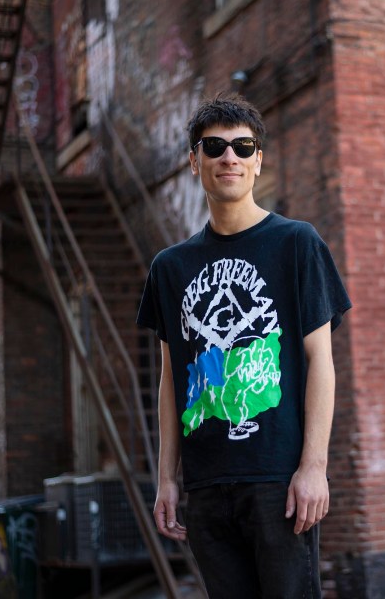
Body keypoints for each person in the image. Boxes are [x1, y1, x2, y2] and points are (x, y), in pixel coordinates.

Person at [136, 93, 351, 598]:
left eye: (242, 146)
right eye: (213, 147)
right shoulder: (170, 268)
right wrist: (168, 478)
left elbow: (321, 361)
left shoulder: (297, 243)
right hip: (206, 486)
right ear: (195, 161)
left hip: (278, 481)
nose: (228, 157)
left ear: (258, 161)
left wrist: (313, 468)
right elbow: (172, 377)